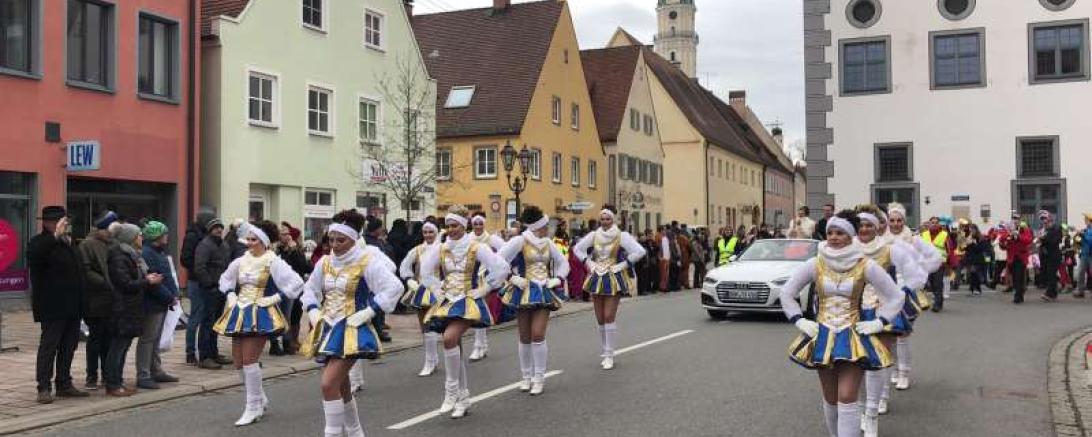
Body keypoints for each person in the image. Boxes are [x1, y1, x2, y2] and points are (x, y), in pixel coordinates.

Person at [779, 211, 904, 437]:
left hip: (852, 335)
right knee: (830, 397)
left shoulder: (865, 265)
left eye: (840, 233)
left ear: (850, 236)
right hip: (823, 334)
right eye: (830, 233)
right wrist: (799, 321)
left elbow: (895, 296)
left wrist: (880, 322)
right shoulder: (815, 263)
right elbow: (787, 293)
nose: (834, 237)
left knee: (847, 396)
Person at [301, 210, 402, 437]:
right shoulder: (325, 263)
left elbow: (394, 287)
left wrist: (369, 311)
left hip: (352, 330)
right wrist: (314, 310)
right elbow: (310, 289)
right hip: (328, 327)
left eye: (341, 240)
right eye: (331, 239)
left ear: (354, 238)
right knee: (341, 386)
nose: (335, 245)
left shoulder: (365, 261)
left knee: (328, 385)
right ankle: (356, 432)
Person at [419, 204, 510, 418]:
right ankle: (463, 397)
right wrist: (436, 288)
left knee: (449, 338)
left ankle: (450, 392)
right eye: (448, 226)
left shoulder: (475, 246)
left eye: (455, 226)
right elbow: (425, 271)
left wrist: (486, 288)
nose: (451, 230)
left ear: (463, 225)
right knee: (454, 347)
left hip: (468, 300)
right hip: (448, 300)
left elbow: (501, 267)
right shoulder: (441, 248)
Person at [212, 220, 305, 426]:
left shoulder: (273, 261)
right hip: (240, 311)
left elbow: (296, 282)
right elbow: (225, 280)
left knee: (249, 360)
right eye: (249, 239)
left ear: (263, 242)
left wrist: (276, 298)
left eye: (254, 240)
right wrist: (230, 295)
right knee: (238, 362)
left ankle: (252, 407)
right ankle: (260, 398)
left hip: (261, 312)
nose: (250, 243)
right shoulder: (241, 260)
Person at [854, 206, 925, 437]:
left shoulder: (890, 249)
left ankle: (875, 409)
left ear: (877, 227)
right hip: (854, 310)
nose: (864, 229)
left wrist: (900, 292)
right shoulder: (847, 249)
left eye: (869, 225)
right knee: (858, 362)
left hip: (882, 308)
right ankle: (864, 410)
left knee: (880, 358)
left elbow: (916, 274)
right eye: (860, 225)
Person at [497, 206, 569, 395]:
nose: (548, 228)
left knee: (538, 334)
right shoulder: (520, 240)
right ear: (538, 226)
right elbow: (497, 259)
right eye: (546, 225)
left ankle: (539, 377)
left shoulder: (548, 243)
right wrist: (511, 277)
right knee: (524, 336)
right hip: (523, 290)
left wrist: (558, 279)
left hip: (543, 290)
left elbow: (563, 262)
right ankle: (526, 377)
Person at [27, 206, 90, 403]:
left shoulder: (67, 244)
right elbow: (36, 256)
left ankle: (64, 383)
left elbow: (78, 272)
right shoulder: (39, 242)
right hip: (52, 306)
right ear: (49, 223)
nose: (66, 226)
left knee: (68, 346)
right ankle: (43, 386)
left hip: (72, 305)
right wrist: (54, 236)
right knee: (49, 346)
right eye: (63, 222)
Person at [572, 206, 647, 370]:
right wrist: (588, 262)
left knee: (608, 316)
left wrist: (624, 264)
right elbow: (577, 249)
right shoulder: (594, 235)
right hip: (596, 276)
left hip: (614, 276)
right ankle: (605, 350)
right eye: (603, 219)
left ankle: (609, 354)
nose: (605, 222)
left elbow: (640, 251)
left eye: (608, 219)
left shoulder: (621, 236)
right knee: (599, 318)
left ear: (613, 220)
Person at [882, 203, 942, 396]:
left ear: (904, 221)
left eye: (899, 220)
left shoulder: (913, 239)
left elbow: (935, 257)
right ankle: (892, 367)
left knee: (902, 334)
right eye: (892, 220)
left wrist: (919, 272)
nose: (896, 224)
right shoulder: (881, 240)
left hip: (905, 291)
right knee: (887, 334)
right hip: (884, 292)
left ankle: (904, 372)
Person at [104, 223, 163, 397]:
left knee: (123, 346)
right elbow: (124, 283)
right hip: (121, 308)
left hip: (130, 308)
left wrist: (147, 278)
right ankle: (112, 383)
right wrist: (147, 282)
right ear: (130, 238)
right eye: (138, 235)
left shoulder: (131, 255)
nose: (141, 238)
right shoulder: (119, 256)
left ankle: (119, 381)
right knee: (117, 347)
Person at [136, 221, 180, 390]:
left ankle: (156, 369)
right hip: (152, 303)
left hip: (161, 302)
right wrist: (169, 297)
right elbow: (153, 281)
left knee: (155, 338)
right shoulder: (147, 254)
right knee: (148, 339)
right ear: (156, 236)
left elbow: (167, 276)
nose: (167, 237)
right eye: (164, 234)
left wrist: (174, 294)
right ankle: (144, 374)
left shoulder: (158, 252)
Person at [77, 210, 118, 390]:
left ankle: (107, 374)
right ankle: (91, 376)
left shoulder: (112, 244)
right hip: (95, 300)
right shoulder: (87, 245)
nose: (111, 233)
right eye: (109, 229)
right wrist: (104, 282)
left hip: (112, 299)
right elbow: (85, 271)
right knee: (95, 339)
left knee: (108, 339)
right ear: (101, 229)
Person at [399, 222, 442, 377]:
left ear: (436, 233)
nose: (428, 235)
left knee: (444, 326)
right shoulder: (417, 250)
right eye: (425, 232)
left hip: (440, 291)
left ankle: (452, 358)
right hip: (423, 291)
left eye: (431, 232)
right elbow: (404, 267)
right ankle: (430, 361)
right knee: (426, 326)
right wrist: (410, 280)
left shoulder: (443, 249)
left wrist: (444, 284)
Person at [192, 217, 233, 369]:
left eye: (221, 227)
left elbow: (228, 265)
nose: (219, 230)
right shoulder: (205, 245)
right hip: (209, 290)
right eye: (216, 227)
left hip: (221, 289)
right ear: (210, 230)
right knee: (207, 323)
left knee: (216, 323)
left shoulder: (224, 245)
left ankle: (214, 353)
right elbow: (200, 267)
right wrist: (209, 284)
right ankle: (205, 356)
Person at [467, 212, 505, 361]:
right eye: (475, 224)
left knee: (482, 311)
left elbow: (506, 253)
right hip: (471, 278)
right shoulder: (468, 239)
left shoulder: (492, 239)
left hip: (487, 279)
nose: (477, 226)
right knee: (477, 312)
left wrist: (497, 267)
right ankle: (482, 344)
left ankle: (478, 346)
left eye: (480, 223)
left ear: (484, 224)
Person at [181, 209, 217, 365]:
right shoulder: (192, 236)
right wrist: (199, 269)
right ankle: (190, 352)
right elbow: (185, 259)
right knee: (195, 316)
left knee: (206, 316)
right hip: (196, 281)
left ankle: (207, 350)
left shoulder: (205, 235)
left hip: (206, 281)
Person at [274, 222, 311, 356]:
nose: (287, 237)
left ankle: (292, 341)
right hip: (282, 287)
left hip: (296, 286)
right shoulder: (277, 250)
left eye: (288, 234)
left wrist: (295, 251)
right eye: (283, 234)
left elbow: (304, 266)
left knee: (295, 314)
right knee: (283, 315)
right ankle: (283, 343)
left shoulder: (296, 249)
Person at [363, 218, 394, 345]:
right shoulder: (367, 242)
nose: (382, 230)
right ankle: (376, 331)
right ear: (375, 229)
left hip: (381, 277)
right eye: (380, 228)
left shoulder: (378, 241)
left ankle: (379, 328)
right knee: (374, 304)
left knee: (380, 304)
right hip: (372, 278)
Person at [921, 217, 950, 312]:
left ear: (939, 224)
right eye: (932, 222)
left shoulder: (944, 235)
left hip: (939, 263)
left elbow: (949, 249)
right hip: (928, 263)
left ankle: (937, 304)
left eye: (936, 222)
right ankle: (939, 299)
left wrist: (948, 263)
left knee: (938, 283)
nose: (934, 224)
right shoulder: (924, 234)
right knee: (931, 284)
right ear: (929, 224)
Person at [1005, 220, 1034, 304]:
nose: (1015, 224)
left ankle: (1018, 296)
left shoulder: (1024, 230)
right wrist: (1005, 241)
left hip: (1021, 257)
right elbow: (1007, 244)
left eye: (1016, 222)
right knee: (1015, 278)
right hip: (1012, 258)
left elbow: (1028, 240)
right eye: (1013, 223)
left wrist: (1018, 236)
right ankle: (1019, 294)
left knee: (1019, 277)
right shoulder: (1010, 232)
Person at [1039, 210, 1063, 302]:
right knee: (1050, 274)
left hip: (1055, 255)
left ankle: (1050, 293)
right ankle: (1053, 293)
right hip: (1047, 255)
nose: (1044, 221)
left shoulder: (1057, 228)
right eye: (1042, 220)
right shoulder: (1045, 229)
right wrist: (1040, 240)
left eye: (1045, 219)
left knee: (1051, 274)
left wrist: (1045, 238)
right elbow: (1043, 242)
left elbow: (1054, 241)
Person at [1076, 214, 1092, 298]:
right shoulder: (1086, 230)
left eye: (1086, 220)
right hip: (1084, 254)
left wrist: (1083, 235)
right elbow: (1082, 241)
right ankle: (1080, 291)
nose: (1085, 221)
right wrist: (1078, 239)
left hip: (1090, 254)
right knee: (1081, 272)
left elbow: (1090, 241)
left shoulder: (1090, 231)